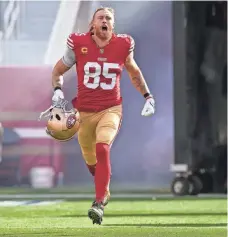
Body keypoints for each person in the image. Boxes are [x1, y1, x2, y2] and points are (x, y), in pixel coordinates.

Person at [51, 7, 155, 224]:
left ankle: (98, 203)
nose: (105, 21)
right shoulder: (78, 43)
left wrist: (147, 96)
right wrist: (57, 92)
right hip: (84, 113)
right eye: (101, 18)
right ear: (93, 23)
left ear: (113, 24)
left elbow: (134, 72)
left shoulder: (123, 44)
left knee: (103, 147)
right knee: (91, 160)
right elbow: (58, 71)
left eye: (109, 18)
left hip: (111, 108)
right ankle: (104, 190)